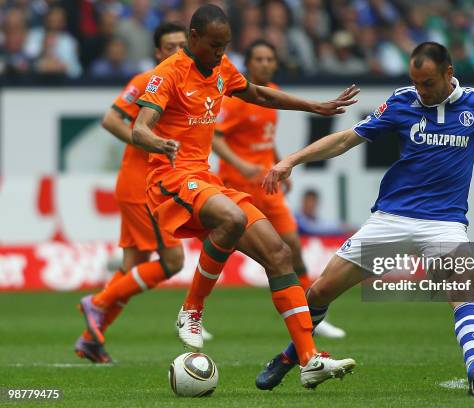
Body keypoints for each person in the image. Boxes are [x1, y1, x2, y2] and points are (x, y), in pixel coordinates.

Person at [258, 41, 474, 396]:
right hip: (391, 218)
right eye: (416, 82)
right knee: (321, 290)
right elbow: (345, 140)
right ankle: (290, 356)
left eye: (428, 83)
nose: (422, 91)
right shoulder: (402, 101)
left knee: (463, 292)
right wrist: (291, 160)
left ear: (449, 74)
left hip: (444, 223)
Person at [128, 5, 359, 389]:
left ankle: (308, 359)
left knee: (278, 253)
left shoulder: (222, 70)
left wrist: (313, 106)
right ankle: (191, 309)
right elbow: (139, 129)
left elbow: (255, 94)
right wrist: (159, 142)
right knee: (232, 220)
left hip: (203, 179)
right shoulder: (165, 75)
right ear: (194, 37)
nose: (221, 53)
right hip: (168, 177)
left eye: (226, 46)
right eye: (214, 45)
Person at [212, 39, 345, 339]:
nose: (264, 63)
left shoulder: (270, 97)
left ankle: (313, 317)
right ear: (247, 64)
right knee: (222, 252)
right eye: (258, 58)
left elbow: (265, 137)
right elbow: (215, 138)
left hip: (268, 186)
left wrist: (280, 164)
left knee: (294, 250)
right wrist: (241, 164)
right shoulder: (234, 100)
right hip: (238, 188)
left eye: (269, 58)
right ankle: (195, 312)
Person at [76, 22, 189, 364]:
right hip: (142, 184)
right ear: (158, 52)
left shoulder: (187, 84)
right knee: (173, 262)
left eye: (183, 46)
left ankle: (90, 340)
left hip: (155, 183)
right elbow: (111, 120)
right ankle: (95, 303)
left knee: (132, 268)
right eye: (170, 46)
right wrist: (147, 141)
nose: (177, 52)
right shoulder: (148, 81)